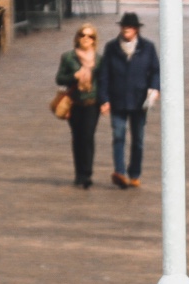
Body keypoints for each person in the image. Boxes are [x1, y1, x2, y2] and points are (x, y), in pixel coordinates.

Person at [99, 12, 160, 189]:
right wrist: (104, 99)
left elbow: (155, 70)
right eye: (125, 27)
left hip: (139, 100)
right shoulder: (111, 47)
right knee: (118, 135)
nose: (127, 30)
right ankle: (120, 172)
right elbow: (104, 75)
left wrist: (154, 88)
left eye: (131, 27)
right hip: (117, 99)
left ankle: (134, 173)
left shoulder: (148, 47)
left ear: (137, 30)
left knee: (138, 139)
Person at [57, 23, 104, 190]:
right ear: (78, 38)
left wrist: (105, 101)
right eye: (83, 35)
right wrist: (73, 76)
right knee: (77, 138)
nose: (86, 38)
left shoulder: (99, 60)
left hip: (92, 103)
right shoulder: (68, 57)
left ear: (94, 40)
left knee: (88, 136)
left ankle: (87, 174)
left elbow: (104, 82)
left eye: (90, 36)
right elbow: (59, 79)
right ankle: (79, 173)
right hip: (75, 103)